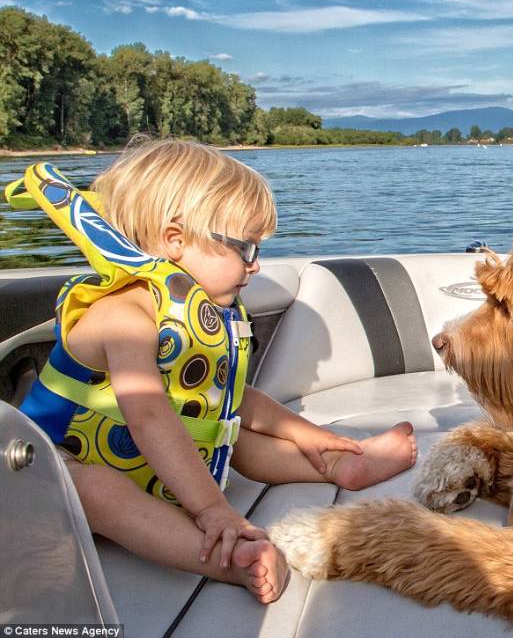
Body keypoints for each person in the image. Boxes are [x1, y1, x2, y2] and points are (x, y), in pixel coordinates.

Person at [18, 139, 418, 604]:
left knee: (229, 434)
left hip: (142, 456)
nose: (256, 265)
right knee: (95, 489)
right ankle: (228, 560)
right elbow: (148, 417)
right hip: (52, 477)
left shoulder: (197, 314)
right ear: (174, 240)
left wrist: (312, 435)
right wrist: (212, 509)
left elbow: (235, 398)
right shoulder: (122, 315)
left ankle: (339, 464)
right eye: (245, 247)